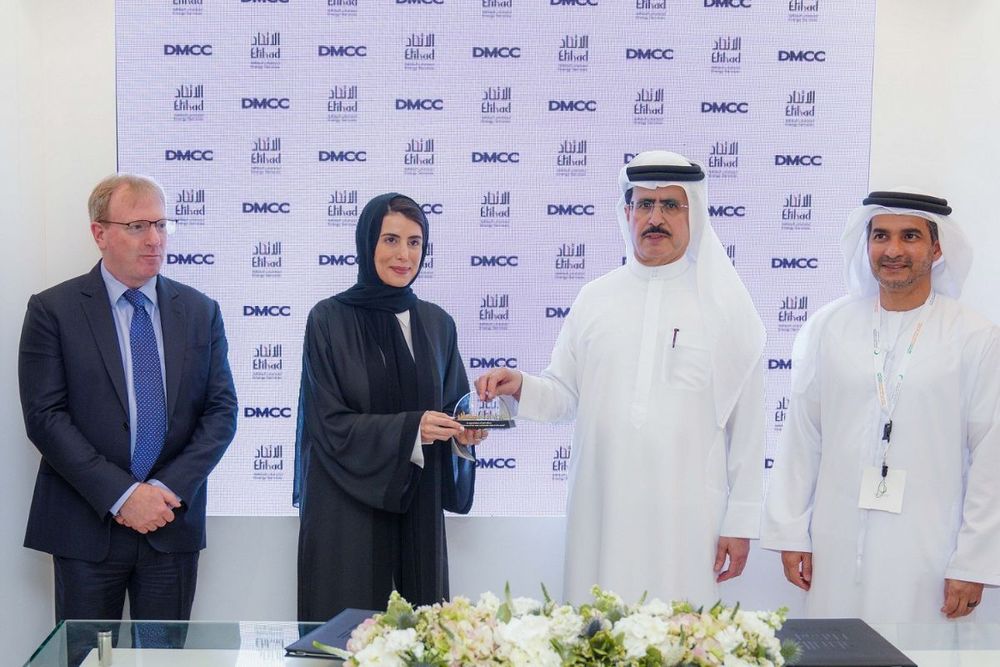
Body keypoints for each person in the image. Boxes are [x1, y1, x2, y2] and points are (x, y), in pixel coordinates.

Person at [475, 151, 766, 605]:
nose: (655, 218)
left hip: (687, 517)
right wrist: (522, 387)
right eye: (644, 204)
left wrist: (741, 520)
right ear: (627, 212)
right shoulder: (595, 298)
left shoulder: (725, 306)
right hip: (602, 509)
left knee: (681, 631)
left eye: (670, 205)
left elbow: (747, 426)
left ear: (694, 212)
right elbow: (565, 393)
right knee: (598, 624)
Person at [761, 189, 1000, 623]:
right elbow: (802, 434)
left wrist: (974, 561)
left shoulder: (974, 336)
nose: (892, 250)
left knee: (916, 643)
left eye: (910, 236)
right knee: (838, 641)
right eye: (881, 236)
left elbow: (991, 454)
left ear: (937, 248)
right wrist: (791, 530)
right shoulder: (830, 326)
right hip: (834, 540)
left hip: (928, 547)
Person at [18, 174, 238, 624]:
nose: (155, 239)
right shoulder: (53, 310)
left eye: (161, 225)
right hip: (86, 525)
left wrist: (163, 492)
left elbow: (221, 412)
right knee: (84, 654)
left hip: (169, 523)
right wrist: (123, 495)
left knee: (163, 654)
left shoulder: (200, 311)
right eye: (137, 226)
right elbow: (45, 417)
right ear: (99, 233)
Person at [294, 193, 480, 621]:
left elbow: (453, 408)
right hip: (347, 518)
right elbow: (328, 423)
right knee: (347, 641)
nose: (404, 255)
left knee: (421, 638)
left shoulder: (438, 324)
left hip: (419, 512)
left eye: (415, 242)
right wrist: (413, 429)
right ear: (366, 243)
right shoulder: (328, 320)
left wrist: (464, 436)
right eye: (391, 240)